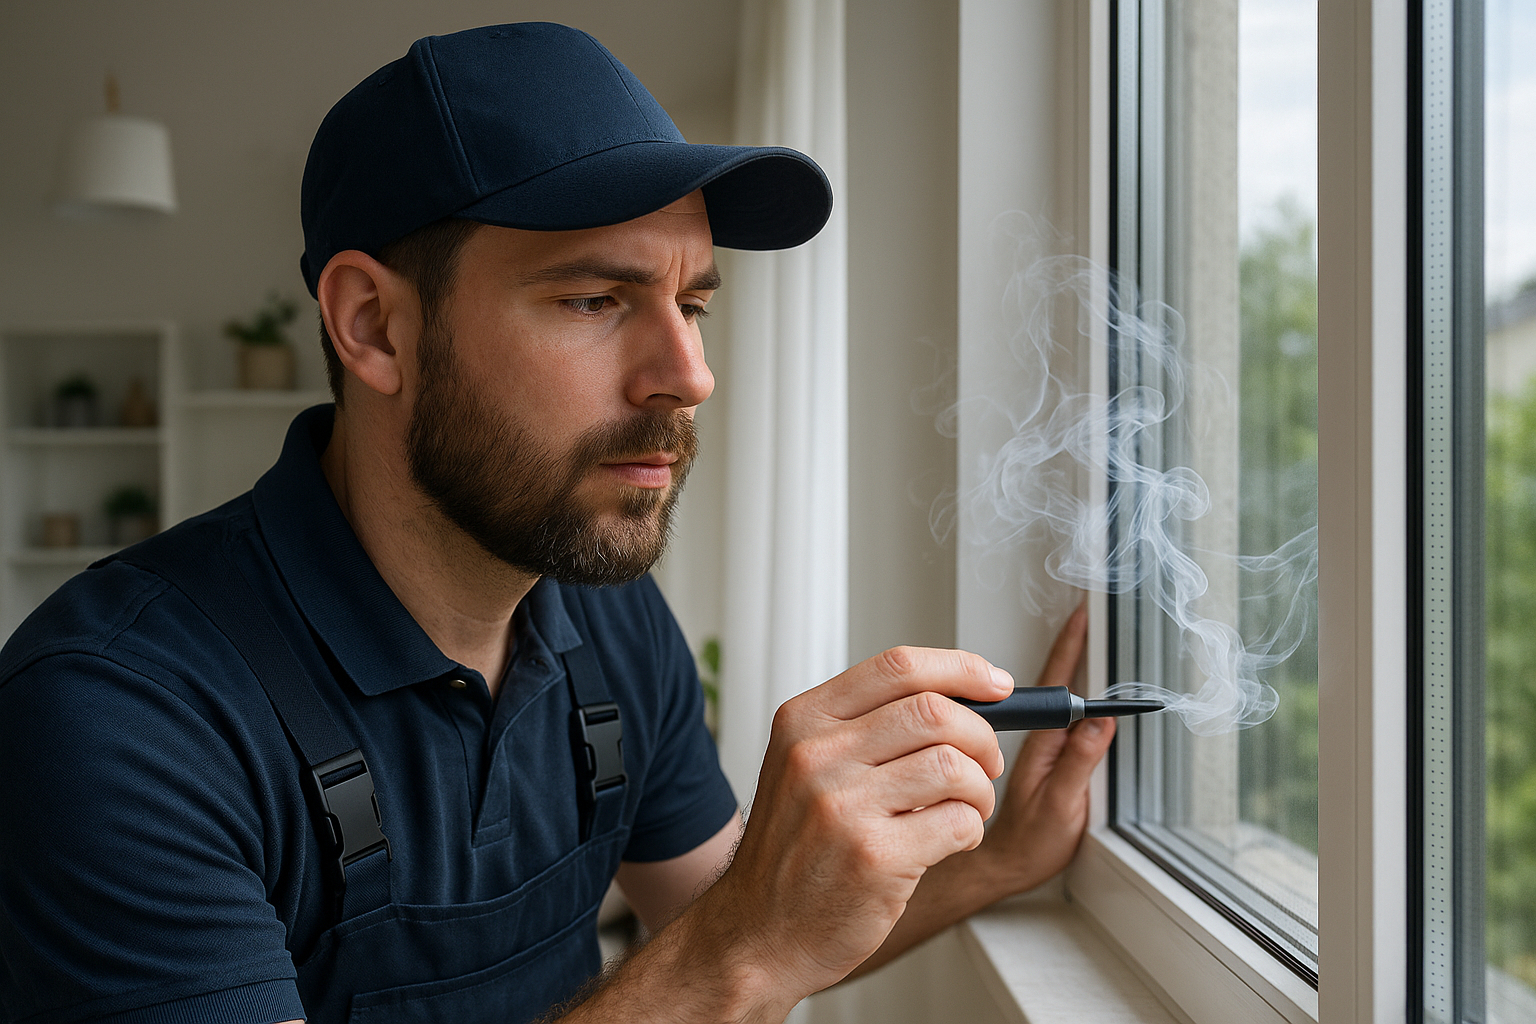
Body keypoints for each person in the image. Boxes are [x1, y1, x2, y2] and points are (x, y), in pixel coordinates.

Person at [0, 22, 1115, 1024]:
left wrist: (997, 860)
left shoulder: (605, 614)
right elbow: (732, 944)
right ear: (373, 325)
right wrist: (739, 949)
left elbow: (733, 909)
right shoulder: (117, 716)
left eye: (693, 305)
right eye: (596, 299)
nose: (689, 376)